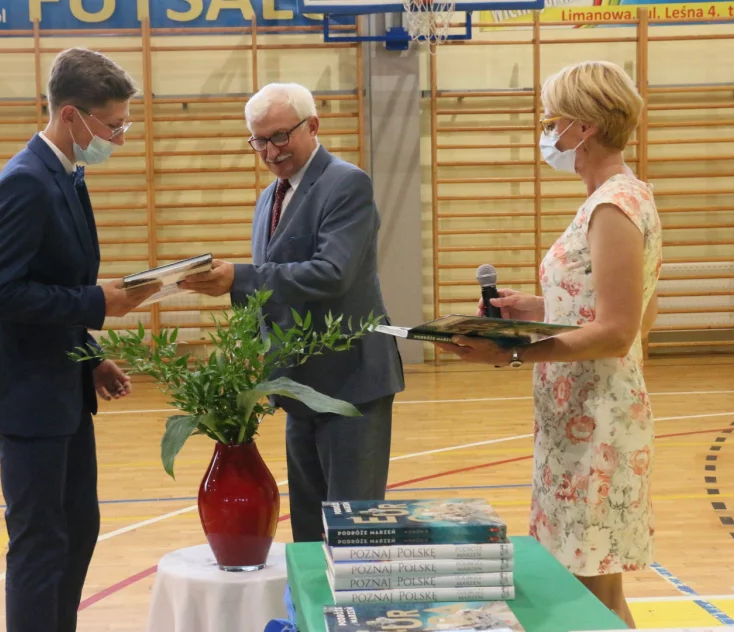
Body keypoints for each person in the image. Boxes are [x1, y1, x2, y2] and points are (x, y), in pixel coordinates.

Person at [432, 61, 661, 627]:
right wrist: (535, 310)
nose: (547, 132)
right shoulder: (617, 197)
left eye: (551, 121)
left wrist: (511, 351)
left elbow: (620, 329)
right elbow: (612, 304)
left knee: (588, 596)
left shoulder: (613, 205)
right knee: (597, 591)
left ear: (584, 126)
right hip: (580, 416)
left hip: (598, 421)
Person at [0, 48, 159, 632]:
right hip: (28, 397)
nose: (118, 138)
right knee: (40, 542)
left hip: (62, 386)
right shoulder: (26, 181)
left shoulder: (65, 174)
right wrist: (96, 304)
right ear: (71, 115)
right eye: (113, 126)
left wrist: (91, 357)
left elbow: (53, 280)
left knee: (77, 528)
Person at [180, 82, 405, 543]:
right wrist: (252, 351)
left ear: (313, 126)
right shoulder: (270, 196)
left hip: (351, 383)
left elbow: (332, 274)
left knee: (351, 528)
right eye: (259, 140)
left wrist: (238, 278)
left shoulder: (346, 183)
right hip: (297, 385)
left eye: (280, 136)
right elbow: (271, 288)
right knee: (307, 526)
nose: (270, 151)